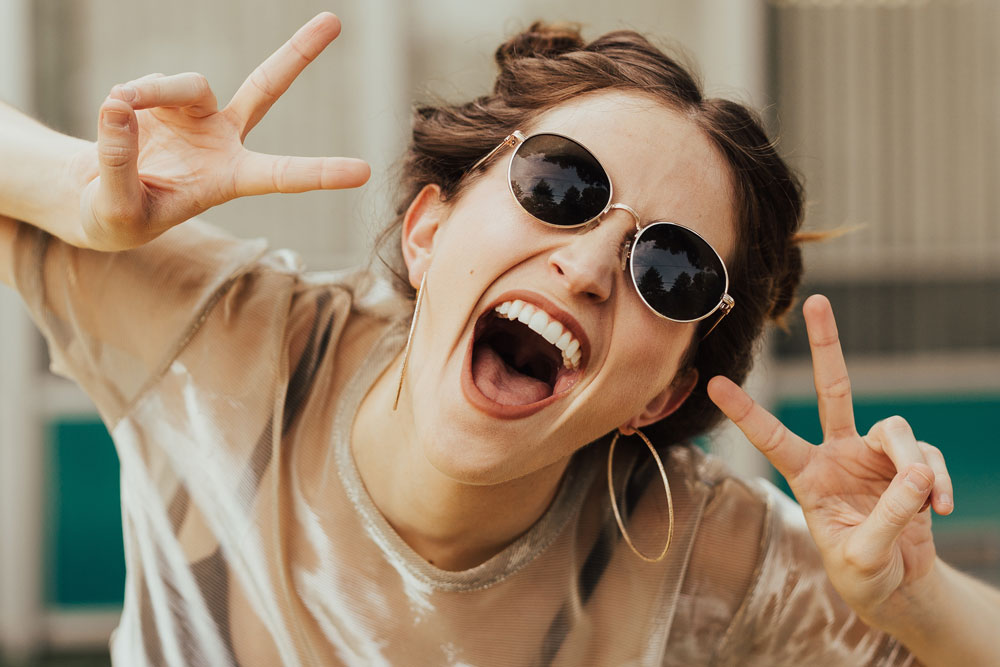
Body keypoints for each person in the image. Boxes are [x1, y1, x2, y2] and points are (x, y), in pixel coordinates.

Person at [0, 12, 998, 666]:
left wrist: (915, 598)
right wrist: (75, 191)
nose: (591, 265)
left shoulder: (695, 548)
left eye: (670, 270)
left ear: (659, 396)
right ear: (429, 230)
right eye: (562, 186)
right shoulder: (227, 342)